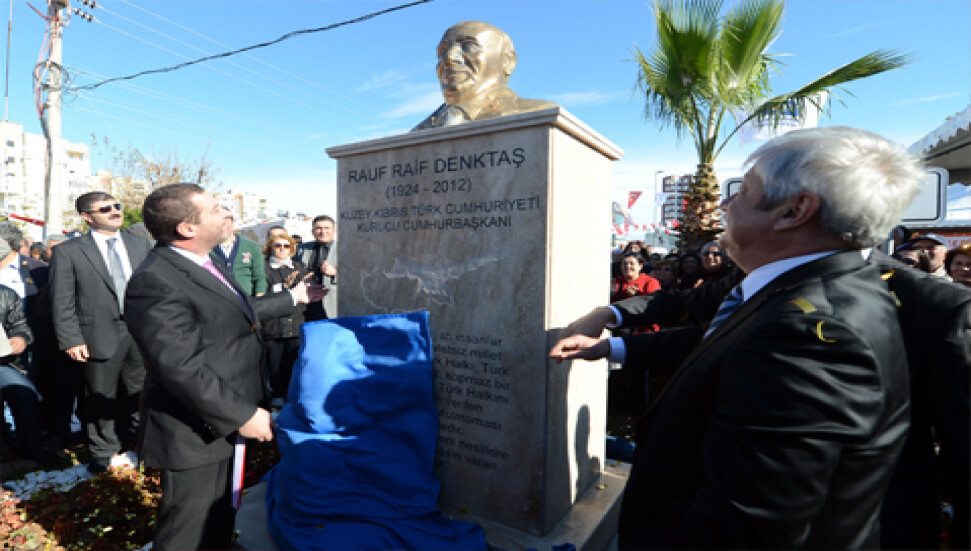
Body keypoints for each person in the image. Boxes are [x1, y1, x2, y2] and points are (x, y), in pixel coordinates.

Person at [552, 126, 923, 548]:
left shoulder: (810, 336)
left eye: (743, 190)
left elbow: (744, 525)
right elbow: (718, 342)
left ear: (794, 210)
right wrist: (608, 345)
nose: (724, 204)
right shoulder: (803, 288)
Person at [124, 183, 310, 550]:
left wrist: (293, 297)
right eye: (215, 209)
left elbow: (232, 312)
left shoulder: (205, 262)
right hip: (197, 429)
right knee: (189, 530)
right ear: (187, 228)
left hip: (221, 419)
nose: (226, 213)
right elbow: (179, 367)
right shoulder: (156, 280)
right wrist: (241, 414)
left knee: (219, 517)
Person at [50, 192, 151, 475]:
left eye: (117, 206)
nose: (115, 211)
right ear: (87, 217)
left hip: (140, 332)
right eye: (105, 209)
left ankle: (140, 443)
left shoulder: (140, 244)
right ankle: (103, 452)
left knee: (139, 392)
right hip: (96, 334)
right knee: (99, 395)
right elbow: (61, 300)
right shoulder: (69, 251)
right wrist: (71, 339)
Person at [412, 21, 556, 131]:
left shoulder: (539, 112)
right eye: (442, 52)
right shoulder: (419, 131)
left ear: (508, 62)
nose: (449, 58)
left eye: (469, 46)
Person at [262, 233, 307, 403]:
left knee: (295, 366)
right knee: (275, 368)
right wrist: (283, 287)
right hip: (273, 327)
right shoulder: (264, 268)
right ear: (270, 248)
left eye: (286, 246)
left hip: (296, 325)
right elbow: (261, 295)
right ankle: (277, 401)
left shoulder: (299, 267)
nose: (282, 249)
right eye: (277, 245)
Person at [295, 214, 338, 321]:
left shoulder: (345, 249)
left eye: (327, 228)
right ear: (313, 232)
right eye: (319, 228)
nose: (323, 232)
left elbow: (356, 278)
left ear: (334, 231)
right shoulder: (301, 249)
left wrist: (335, 273)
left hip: (332, 306)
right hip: (305, 304)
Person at [210, 229, 267, 297]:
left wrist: (258, 299)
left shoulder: (251, 247)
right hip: (219, 298)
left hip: (247, 299)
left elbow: (259, 278)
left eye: (226, 222)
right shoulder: (208, 249)